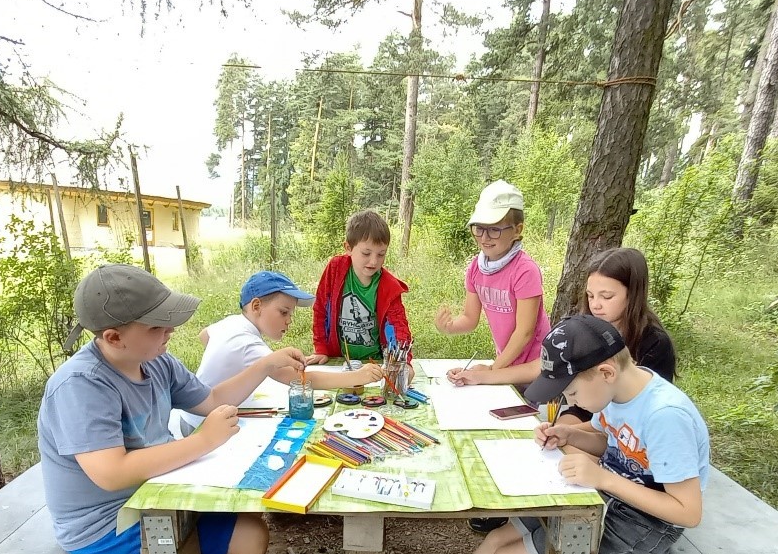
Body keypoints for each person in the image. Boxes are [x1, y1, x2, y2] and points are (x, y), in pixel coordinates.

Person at [370, 314, 709, 554]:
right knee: (498, 538)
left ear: (606, 372)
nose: (572, 402)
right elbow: (612, 443)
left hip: (646, 524)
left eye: (572, 392)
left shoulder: (665, 417)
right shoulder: (619, 392)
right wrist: (570, 433)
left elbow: (687, 512)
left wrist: (604, 478)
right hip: (611, 497)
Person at [38, 264, 306, 554]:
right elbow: (110, 474)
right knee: (251, 537)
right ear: (114, 337)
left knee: (246, 506)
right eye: (157, 327)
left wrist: (264, 365)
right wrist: (202, 442)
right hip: (104, 524)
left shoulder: (155, 361)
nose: (171, 331)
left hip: (158, 493)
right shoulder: (81, 386)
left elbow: (212, 399)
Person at [507, 245, 678, 554]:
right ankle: (533, 533)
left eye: (607, 295)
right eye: (590, 295)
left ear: (633, 296)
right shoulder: (583, 326)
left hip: (616, 423)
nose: (596, 304)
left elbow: (631, 416)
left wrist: (581, 435)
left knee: (570, 451)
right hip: (591, 408)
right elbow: (564, 387)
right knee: (553, 442)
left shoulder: (653, 343)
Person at [177, 270, 384, 433]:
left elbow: (204, 335)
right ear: (256, 305)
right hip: (204, 424)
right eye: (283, 312)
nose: (289, 320)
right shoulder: (247, 343)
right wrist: (357, 377)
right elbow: (302, 379)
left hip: (192, 414)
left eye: (290, 314)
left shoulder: (232, 323)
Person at [434, 180, 550, 389]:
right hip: (505, 363)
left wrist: (493, 370)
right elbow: (470, 318)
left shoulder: (525, 270)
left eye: (494, 230)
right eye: (479, 229)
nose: (485, 238)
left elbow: (525, 332)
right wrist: (450, 327)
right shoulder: (476, 269)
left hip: (536, 367)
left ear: (517, 230)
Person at [308, 209, 412, 365]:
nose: (374, 261)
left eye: (381, 254)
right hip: (339, 360)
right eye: (366, 253)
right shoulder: (335, 269)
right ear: (348, 248)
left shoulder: (389, 285)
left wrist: (402, 362)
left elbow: (398, 326)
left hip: (375, 362)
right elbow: (321, 309)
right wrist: (321, 348)